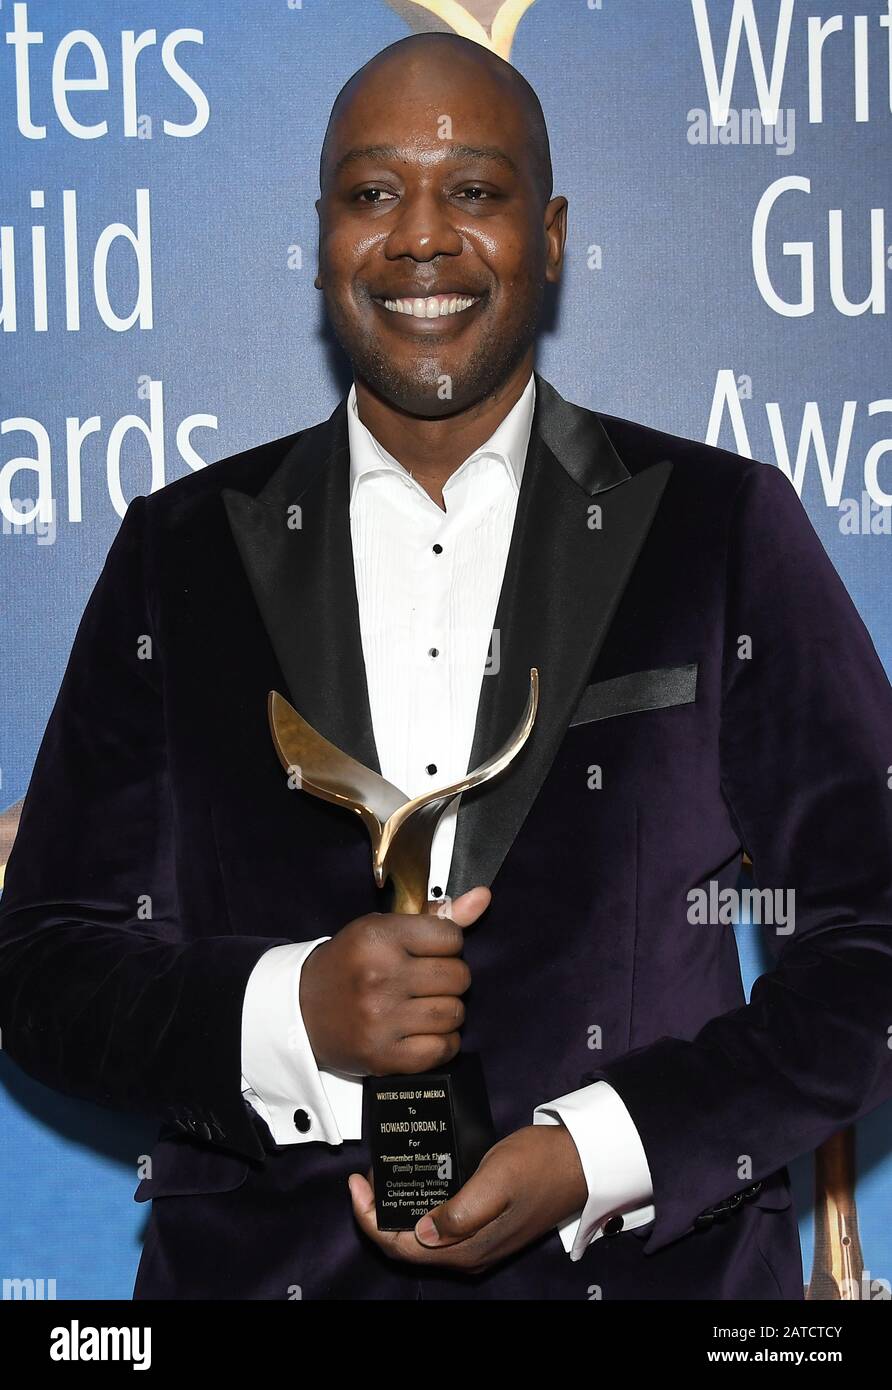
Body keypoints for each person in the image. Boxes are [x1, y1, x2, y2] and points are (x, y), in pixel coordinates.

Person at [1, 32, 890, 1302]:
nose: (422, 236)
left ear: (554, 233)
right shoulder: (177, 554)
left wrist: (598, 1152)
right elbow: (43, 964)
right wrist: (287, 1011)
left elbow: (870, 945)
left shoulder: (718, 526)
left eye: (474, 191)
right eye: (374, 194)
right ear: (321, 240)